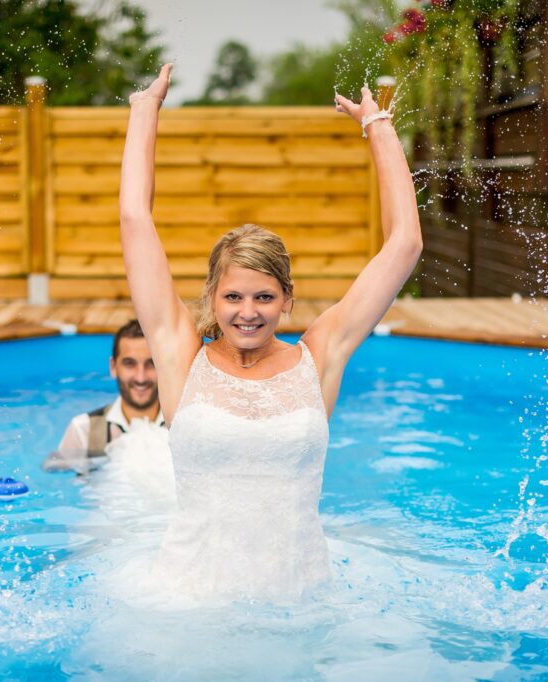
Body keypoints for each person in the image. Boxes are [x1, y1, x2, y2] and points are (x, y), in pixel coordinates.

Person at [119, 64, 423, 603]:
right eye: (233, 297)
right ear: (213, 298)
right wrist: (145, 110)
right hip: (187, 603)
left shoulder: (319, 357)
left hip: (301, 601)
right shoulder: (180, 357)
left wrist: (377, 124)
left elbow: (404, 245)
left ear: (287, 299)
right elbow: (135, 220)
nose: (247, 313)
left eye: (264, 297)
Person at [44, 319, 165, 474]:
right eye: (129, 364)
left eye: (151, 363)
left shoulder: (183, 426)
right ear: (113, 367)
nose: (140, 378)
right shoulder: (83, 429)